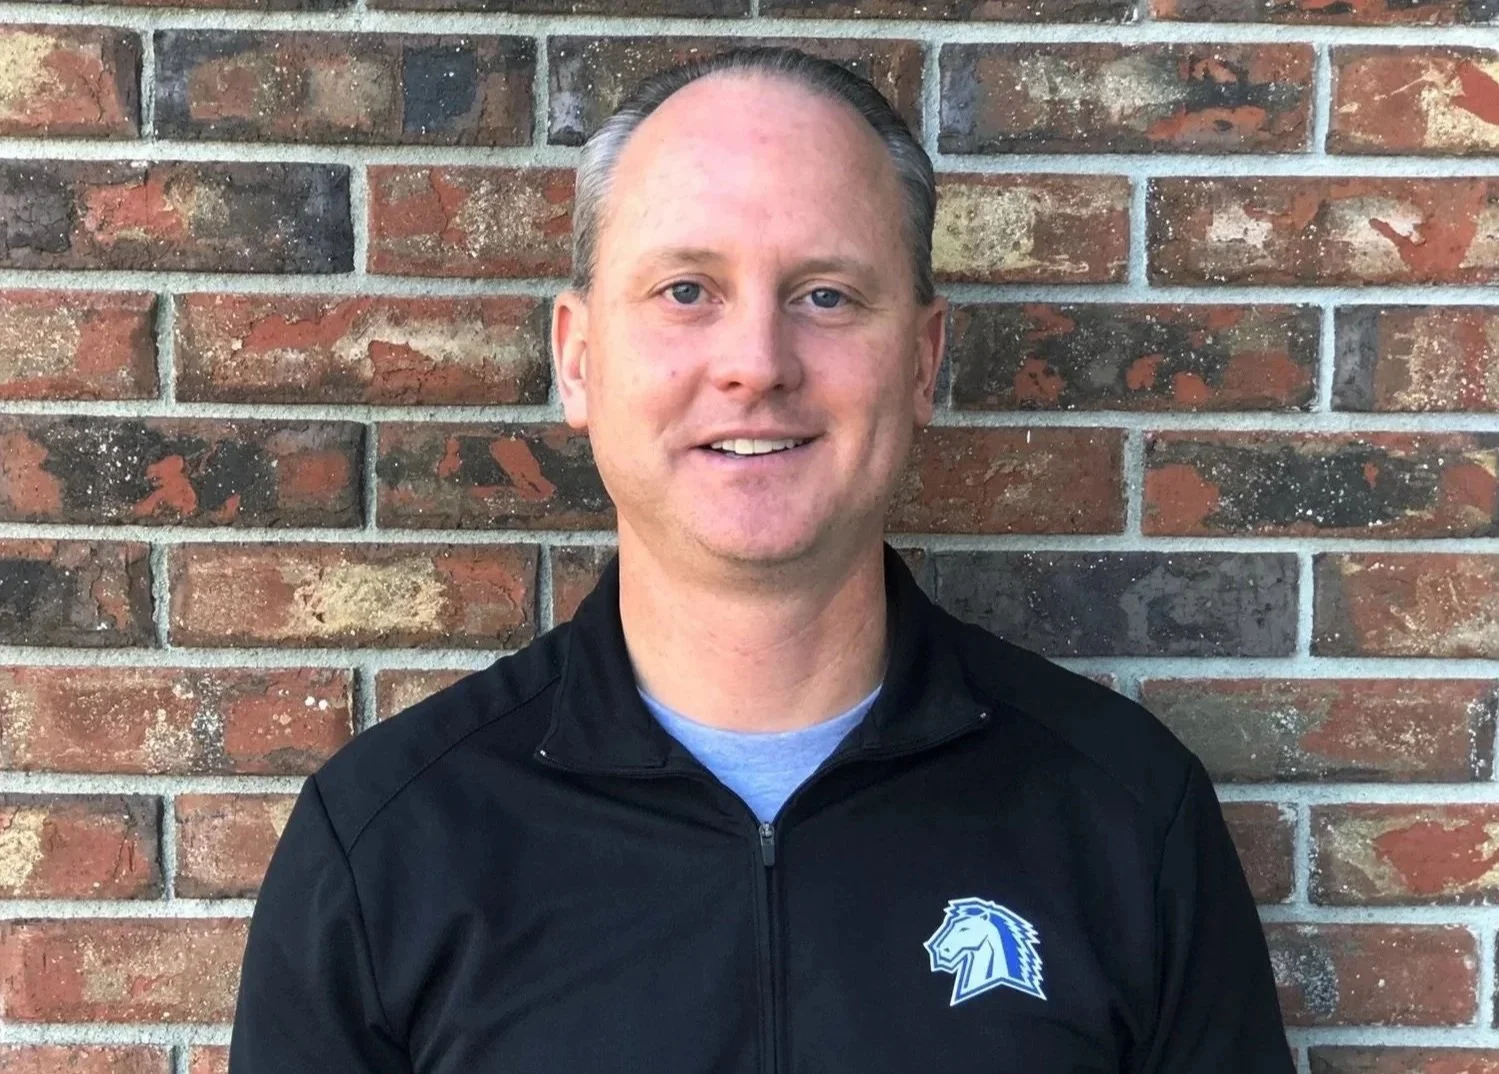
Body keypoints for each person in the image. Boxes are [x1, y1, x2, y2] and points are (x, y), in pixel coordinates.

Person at [227, 46, 1293, 1074]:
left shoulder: (1118, 814)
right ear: (577, 357)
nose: (755, 365)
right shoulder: (391, 845)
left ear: (921, 362)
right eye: (686, 289)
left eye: (824, 294)